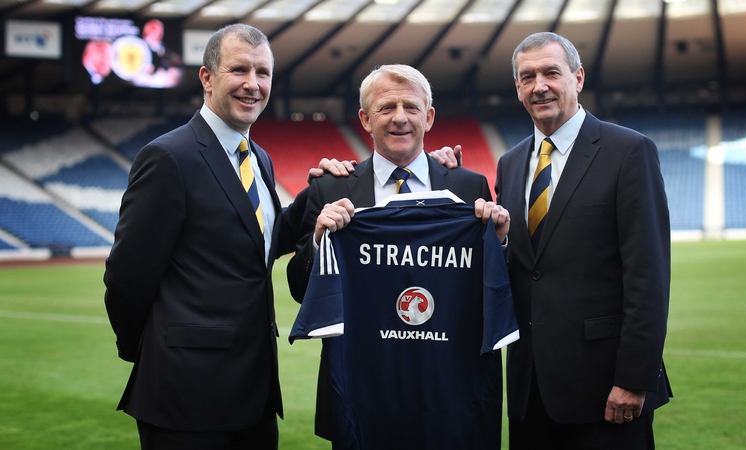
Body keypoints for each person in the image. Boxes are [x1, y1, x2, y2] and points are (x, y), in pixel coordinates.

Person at [103, 23, 352, 450]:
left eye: (263, 73)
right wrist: (146, 352)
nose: (253, 85)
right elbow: (126, 277)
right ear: (207, 77)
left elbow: (261, 244)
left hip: (254, 392)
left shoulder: (258, 157)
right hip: (185, 396)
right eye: (239, 70)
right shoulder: (168, 157)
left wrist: (317, 192)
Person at [285, 64, 511, 444]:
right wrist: (320, 240)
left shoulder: (468, 185)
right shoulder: (330, 189)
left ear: (430, 116)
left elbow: (488, 287)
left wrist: (500, 243)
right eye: (387, 107)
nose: (400, 118)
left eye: (411, 107)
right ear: (365, 119)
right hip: (361, 394)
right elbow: (298, 288)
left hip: (450, 392)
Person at [491, 31, 672, 449]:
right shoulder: (511, 163)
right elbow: (521, 267)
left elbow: (649, 277)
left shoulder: (628, 151)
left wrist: (633, 379)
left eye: (551, 73)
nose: (539, 86)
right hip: (530, 391)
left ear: (578, 77)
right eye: (527, 77)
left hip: (606, 391)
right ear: (518, 88)